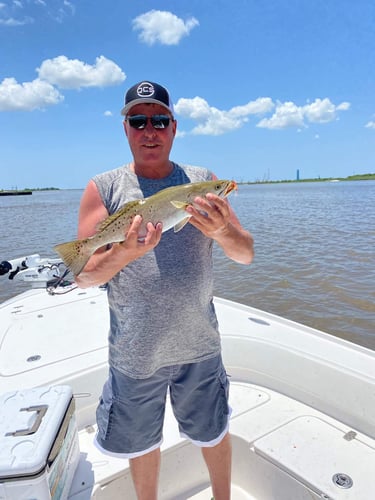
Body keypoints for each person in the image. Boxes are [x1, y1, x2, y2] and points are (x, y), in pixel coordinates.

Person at [75, 80, 254, 500]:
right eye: (138, 120)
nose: (149, 129)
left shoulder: (203, 181)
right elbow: (82, 275)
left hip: (200, 346)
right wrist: (124, 253)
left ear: (174, 128)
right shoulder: (104, 188)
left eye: (159, 120)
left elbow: (245, 254)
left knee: (213, 434)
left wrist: (224, 230)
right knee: (143, 444)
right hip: (136, 353)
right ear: (126, 129)